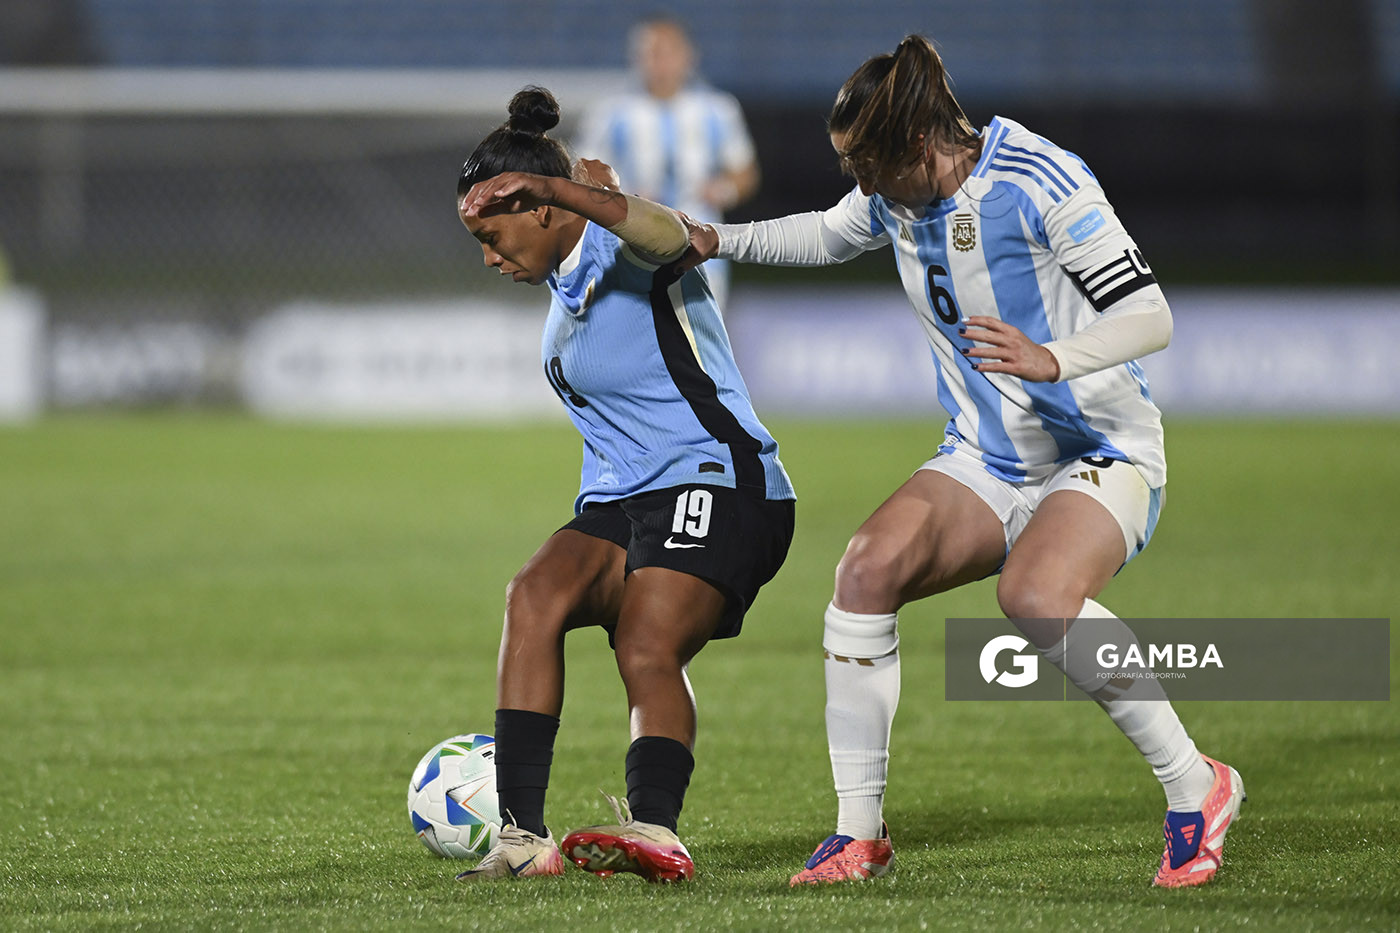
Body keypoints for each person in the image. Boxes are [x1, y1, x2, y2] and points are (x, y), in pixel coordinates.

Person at [686, 35, 1244, 888]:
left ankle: (1196, 786)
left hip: (1104, 451)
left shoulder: (1041, 179)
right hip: (986, 458)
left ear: (919, 143)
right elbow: (823, 235)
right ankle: (857, 834)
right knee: (865, 571)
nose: (858, 187)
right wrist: (712, 237)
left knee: (1034, 594)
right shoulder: (892, 195)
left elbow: (1150, 315)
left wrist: (1052, 356)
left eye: (864, 166)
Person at [452, 86, 795, 884]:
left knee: (646, 640)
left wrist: (575, 189)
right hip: (621, 500)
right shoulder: (562, 292)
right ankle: (521, 840)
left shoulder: (623, 241)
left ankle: (657, 829)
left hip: (724, 477)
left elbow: (671, 231)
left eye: (491, 233)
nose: (488, 255)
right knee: (532, 594)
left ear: (541, 209)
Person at [575, 16, 758, 309]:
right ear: (636, 58)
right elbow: (581, 174)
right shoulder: (611, 113)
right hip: (631, 250)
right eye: (651, 53)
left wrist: (721, 190)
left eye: (668, 53)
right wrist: (624, 198)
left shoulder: (718, 109)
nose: (660, 63)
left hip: (701, 251)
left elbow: (745, 173)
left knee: (699, 344)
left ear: (688, 56)